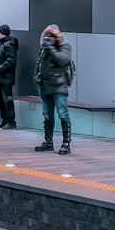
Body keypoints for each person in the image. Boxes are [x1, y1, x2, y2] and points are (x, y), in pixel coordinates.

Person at [34, 24, 74, 155]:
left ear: (57, 37)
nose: (48, 39)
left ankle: (66, 144)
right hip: (44, 86)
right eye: (46, 36)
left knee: (63, 114)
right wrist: (37, 78)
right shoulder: (43, 49)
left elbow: (62, 60)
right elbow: (39, 64)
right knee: (47, 115)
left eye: (51, 36)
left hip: (59, 86)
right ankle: (48, 142)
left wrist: (51, 48)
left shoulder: (65, 47)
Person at [0, 24, 18, 129]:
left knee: (6, 100)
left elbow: (11, 61)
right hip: (1, 78)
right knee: (1, 100)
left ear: (3, 33)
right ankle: (5, 120)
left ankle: (11, 121)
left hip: (5, 79)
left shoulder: (8, 45)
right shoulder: (4, 44)